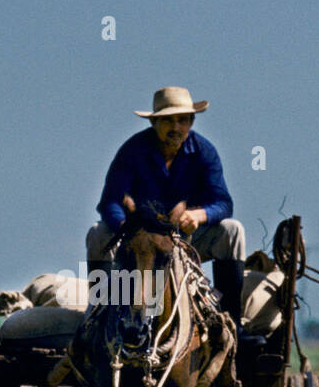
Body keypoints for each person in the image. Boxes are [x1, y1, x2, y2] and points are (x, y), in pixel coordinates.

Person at [86, 86, 246, 328]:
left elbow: (223, 203)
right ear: (154, 124)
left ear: (191, 122)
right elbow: (110, 201)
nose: (176, 127)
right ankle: (98, 315)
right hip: (140, 241)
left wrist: (199, 215)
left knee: (232, 231)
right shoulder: (132, 151)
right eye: (168, 121)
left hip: (187, 239)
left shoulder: (205, 152)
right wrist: (125, 226)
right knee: (98, 234)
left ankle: (231, 322)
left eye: (182, 120)